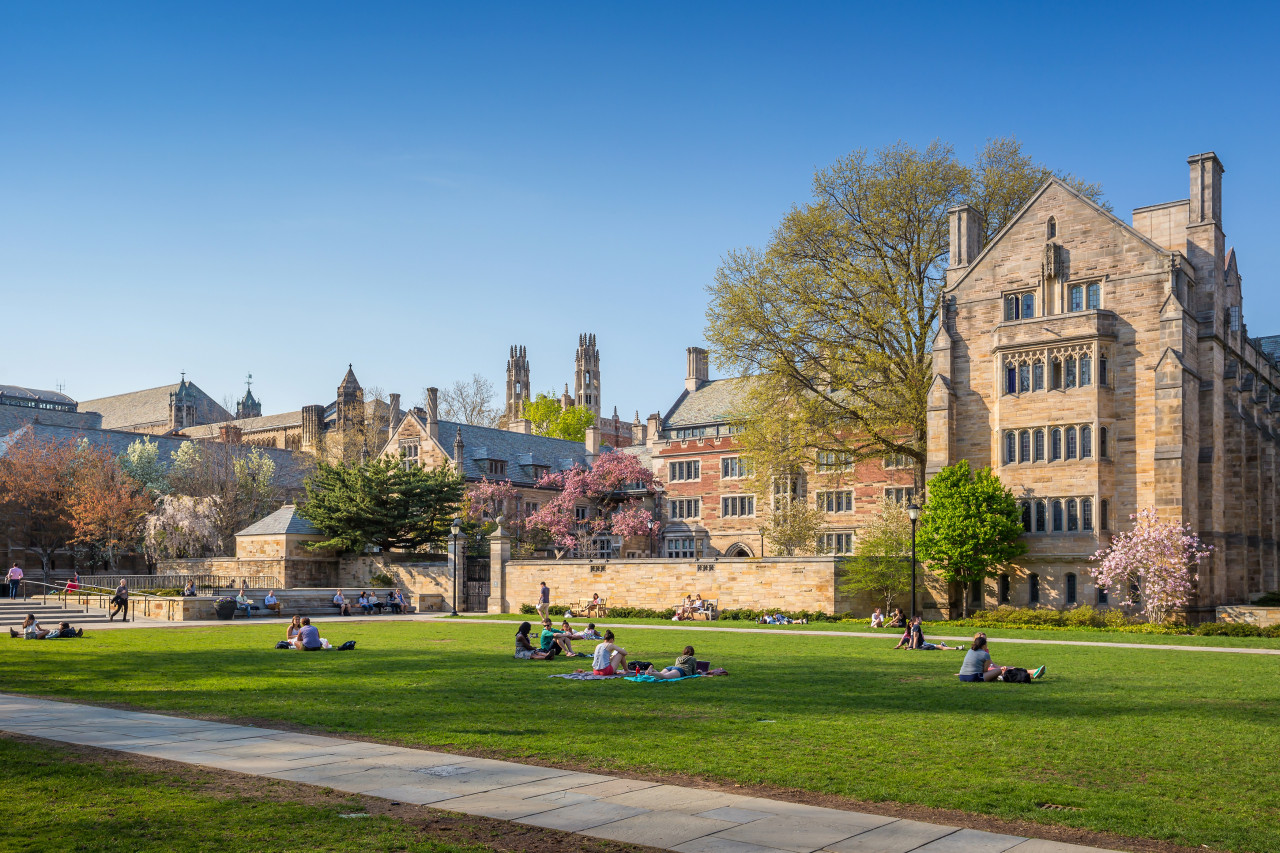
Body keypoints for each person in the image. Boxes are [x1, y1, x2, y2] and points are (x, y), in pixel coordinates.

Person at [958, 634, 1046, 681]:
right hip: (974, 677)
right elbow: (984, 671)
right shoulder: (985, 654)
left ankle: (1032, 674)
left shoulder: (970, 650)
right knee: (1001, 670)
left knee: (1003, 670)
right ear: (984, 645)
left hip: (962, 676)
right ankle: (1032, 674)